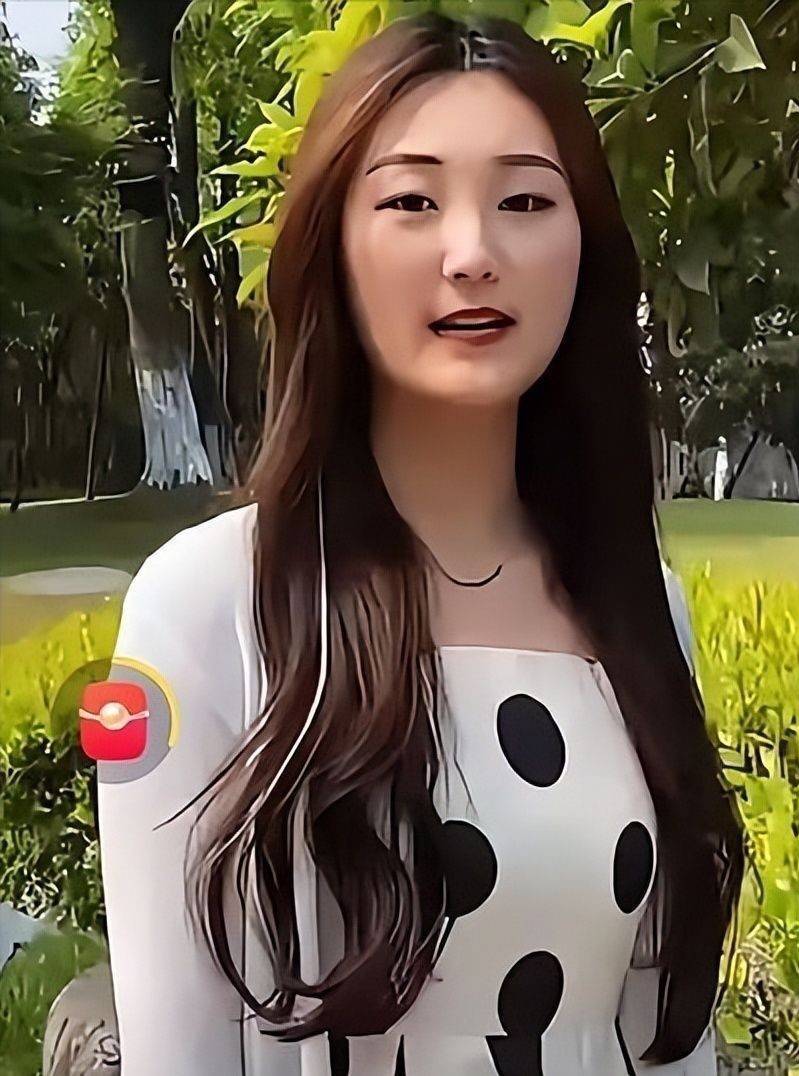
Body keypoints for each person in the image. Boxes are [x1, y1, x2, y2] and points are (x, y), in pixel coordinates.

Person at [94, 12, 744, 1075]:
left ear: (584, 246)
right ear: (333, 248)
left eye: (525, 201)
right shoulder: (210, 608)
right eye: (411, 201)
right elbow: (179, 1049)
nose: (473, 253)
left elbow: (672, 1029)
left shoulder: (640, 605)